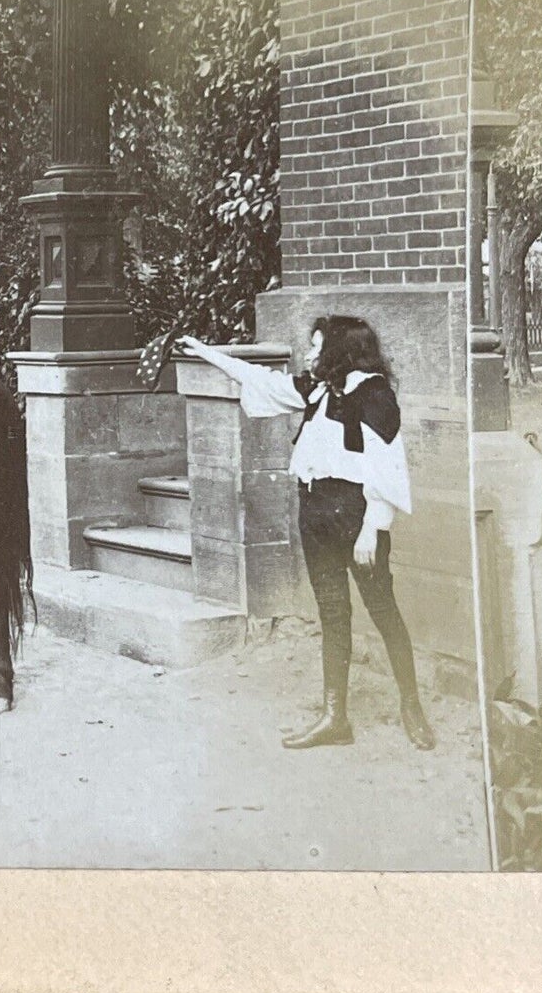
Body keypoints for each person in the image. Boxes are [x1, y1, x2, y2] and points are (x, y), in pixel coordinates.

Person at [180, 317, 436, 752]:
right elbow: (259, 379)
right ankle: (335, 717)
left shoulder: (374, 395)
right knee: (334, 614)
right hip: (315, 513)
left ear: (340, 351)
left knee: (383, 610)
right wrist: (205, 351)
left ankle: (412, 706)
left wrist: (372, 530)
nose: (310, 356)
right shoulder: (319, 390)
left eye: (318, 348)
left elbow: (387, 466)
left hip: (355, 518)